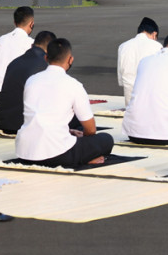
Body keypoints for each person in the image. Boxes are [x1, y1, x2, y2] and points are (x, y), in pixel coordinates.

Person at [15, 38, 114, 168]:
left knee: (74, 129)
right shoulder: (73, 85)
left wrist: (69, 132)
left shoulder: (31, 80)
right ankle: (86, 158)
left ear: (46, 58)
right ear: (70, 60)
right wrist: (82, 138)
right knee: (106, 139)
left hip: (24, 152)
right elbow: (91, 129)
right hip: (56, 154)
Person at [0, 30, 58, 134]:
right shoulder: (46, 66)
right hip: (26, 123)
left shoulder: (14, 62)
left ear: (32, 45)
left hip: (3, 121)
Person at [0, 6, 35, 102]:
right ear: (31, 23)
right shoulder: (31, 44)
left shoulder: (0, 40)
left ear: (14, 22)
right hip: (13, 95)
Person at [117, 16, 162, 106]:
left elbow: (121, 80)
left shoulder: (123, 46)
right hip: (150, 102)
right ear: (154, 34)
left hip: (130, 103)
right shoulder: (156, 46)